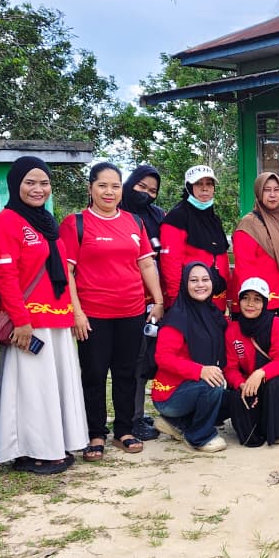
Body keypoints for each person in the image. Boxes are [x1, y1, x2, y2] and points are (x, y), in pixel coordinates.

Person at [0, 156, 87, 475]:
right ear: (15, 185)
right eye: (30, 182)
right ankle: (33, 451)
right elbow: (5, 276)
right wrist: (21, 320)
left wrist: (72, 312)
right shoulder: (6, 221)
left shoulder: (46, 222)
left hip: (56, 321)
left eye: (44, 182)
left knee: (53, 387)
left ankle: (54, 444)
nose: (38, 189)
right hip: (29, 324)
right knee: (31, 390)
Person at [61, 162, 164, 461]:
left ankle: (124, 430)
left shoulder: (135, 222)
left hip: (131, 311)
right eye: (103, 185)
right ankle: (95, 433)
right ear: (91, 188)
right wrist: (77, 313)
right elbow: (67, 272)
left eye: (115, 186)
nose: (109, 191)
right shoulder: (76, 223)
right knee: (93, 374)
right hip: (93, 315)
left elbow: (146, 264)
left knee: (126, 373)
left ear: (122, 190)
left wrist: (157, 300)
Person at [151, 262, 230, 452]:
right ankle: (199, 437)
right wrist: (200, 370)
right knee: (214, 384)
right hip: (170, 395)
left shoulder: (213, 314)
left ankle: (178, 423)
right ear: (184, 284)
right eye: (193, 280)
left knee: (232, 397)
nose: (200, 285)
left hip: (192, 388)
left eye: (205, 279)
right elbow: (163, 358)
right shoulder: (177, 317)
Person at [117, 163, 167, 442]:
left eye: (152, 191)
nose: (146, 194)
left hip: (156, 300)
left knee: (148, 358)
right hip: (128, 300)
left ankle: (138, 413)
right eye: (140, 187)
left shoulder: (157, 216)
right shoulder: (117, 215)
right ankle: (132, 419)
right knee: (133, 361)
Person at [225, 278, 279, 446]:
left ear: (265, 303)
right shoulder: (232, 329)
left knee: (277, 385)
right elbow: (230, 368)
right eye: (246, 298)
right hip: (249, 383)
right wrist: (240, 384)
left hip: (275, 379)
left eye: (257, 299)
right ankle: (256, 431)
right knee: (236, 395)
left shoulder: (276, 324)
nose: (250, 304)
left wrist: (260, 374)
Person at [233, 172, 279, 331]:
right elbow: (244, 268)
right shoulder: (249, 224)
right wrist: (252, 300)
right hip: (260, 300)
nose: (272, 195)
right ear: (258, 193)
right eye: (267, 190)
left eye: (277, 190)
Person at [161, 165, 230, 311]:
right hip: (190, 299)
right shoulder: (177, 217)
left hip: (217, 298)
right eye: (198, 184)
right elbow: (170, 262)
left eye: (209, 184)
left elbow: (221, 256)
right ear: (189, 187)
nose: (204, 189)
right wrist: (176, 302)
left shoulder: (213, 218)